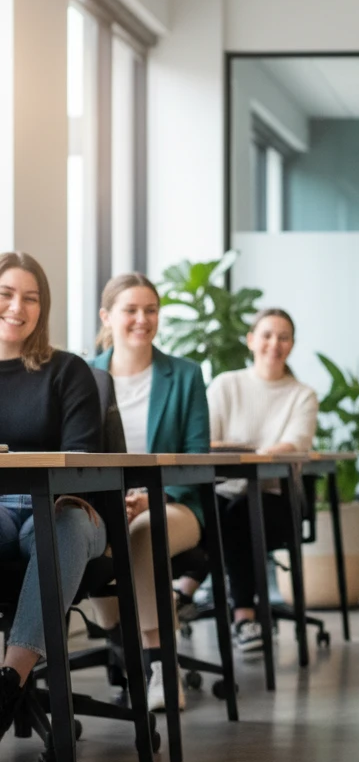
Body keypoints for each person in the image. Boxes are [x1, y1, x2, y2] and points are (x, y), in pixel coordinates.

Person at [90, 272, 211, 710]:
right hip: (105, 504)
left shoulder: (184, 376)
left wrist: (151, 497)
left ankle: (162, 666)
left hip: (172, 503)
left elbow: (198, 458)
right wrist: (111, 502)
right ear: (107, 315)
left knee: (142, 533)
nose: (143, 319)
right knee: (88, 540)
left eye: (151, 310)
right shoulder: (83, 375)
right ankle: (122, 644)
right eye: (131, 310)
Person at [0, 252, 107, 739]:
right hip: (2, 508)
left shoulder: (68, 370)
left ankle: (10, 679)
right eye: (6, 294)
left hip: (67, 506)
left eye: (31, 298)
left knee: (62, 526)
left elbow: (80, 456)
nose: (17, 307)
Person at [204, 308, 318, 653]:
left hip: (277, 500)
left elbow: (293, 445)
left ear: (292, 345)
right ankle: (192, 592)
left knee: (239, 512)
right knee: (207, 509)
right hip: (223, 492)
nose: (274, 344)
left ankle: (242, 615)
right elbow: (205, 443)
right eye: (267, 335)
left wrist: (245, 456)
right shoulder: (227, 384)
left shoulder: (302, 395)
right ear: (251, 340)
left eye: (283, 337)